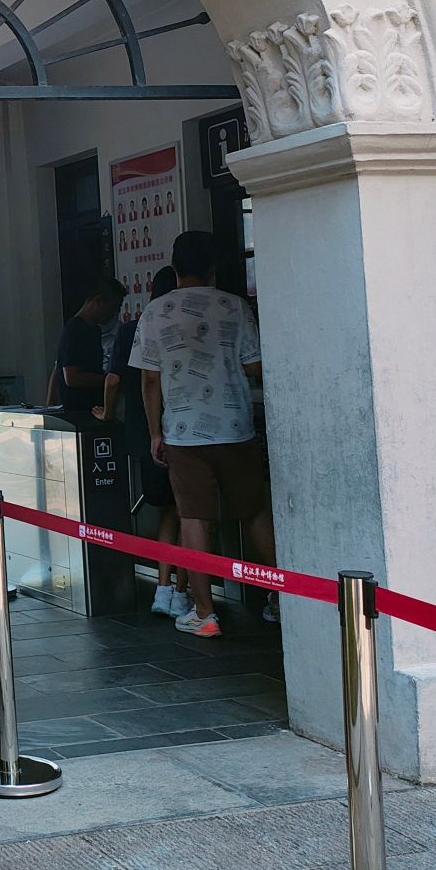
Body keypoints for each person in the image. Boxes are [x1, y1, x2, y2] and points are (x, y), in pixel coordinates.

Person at [129, 231, 277, 639]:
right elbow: (255, 366)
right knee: (254, 512)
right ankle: (284, 599)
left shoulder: (155, 312)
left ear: (174, 267)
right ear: (212, 269)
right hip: (236, 428)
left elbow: (149, 381)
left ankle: (205, 613)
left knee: (194, 518)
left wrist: (154, 432)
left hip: (183, 433)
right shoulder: (235, 306)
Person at [104, 267, 188, 615]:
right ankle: (182, 593)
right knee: (190, 516)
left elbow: (113, 380)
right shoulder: (184, 325)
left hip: (143, 435)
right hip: (181, 433)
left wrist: (107, 414)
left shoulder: (131, 329)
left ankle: (163, 589)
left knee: (168, 511)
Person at [56, 278, 122, 420]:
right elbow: (71, 377)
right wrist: (108, 380)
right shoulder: (74, 330)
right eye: (113, 307)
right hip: (79, 413)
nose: (114, 314)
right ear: (99, 301)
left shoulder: (94, 330)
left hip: (94, 409)